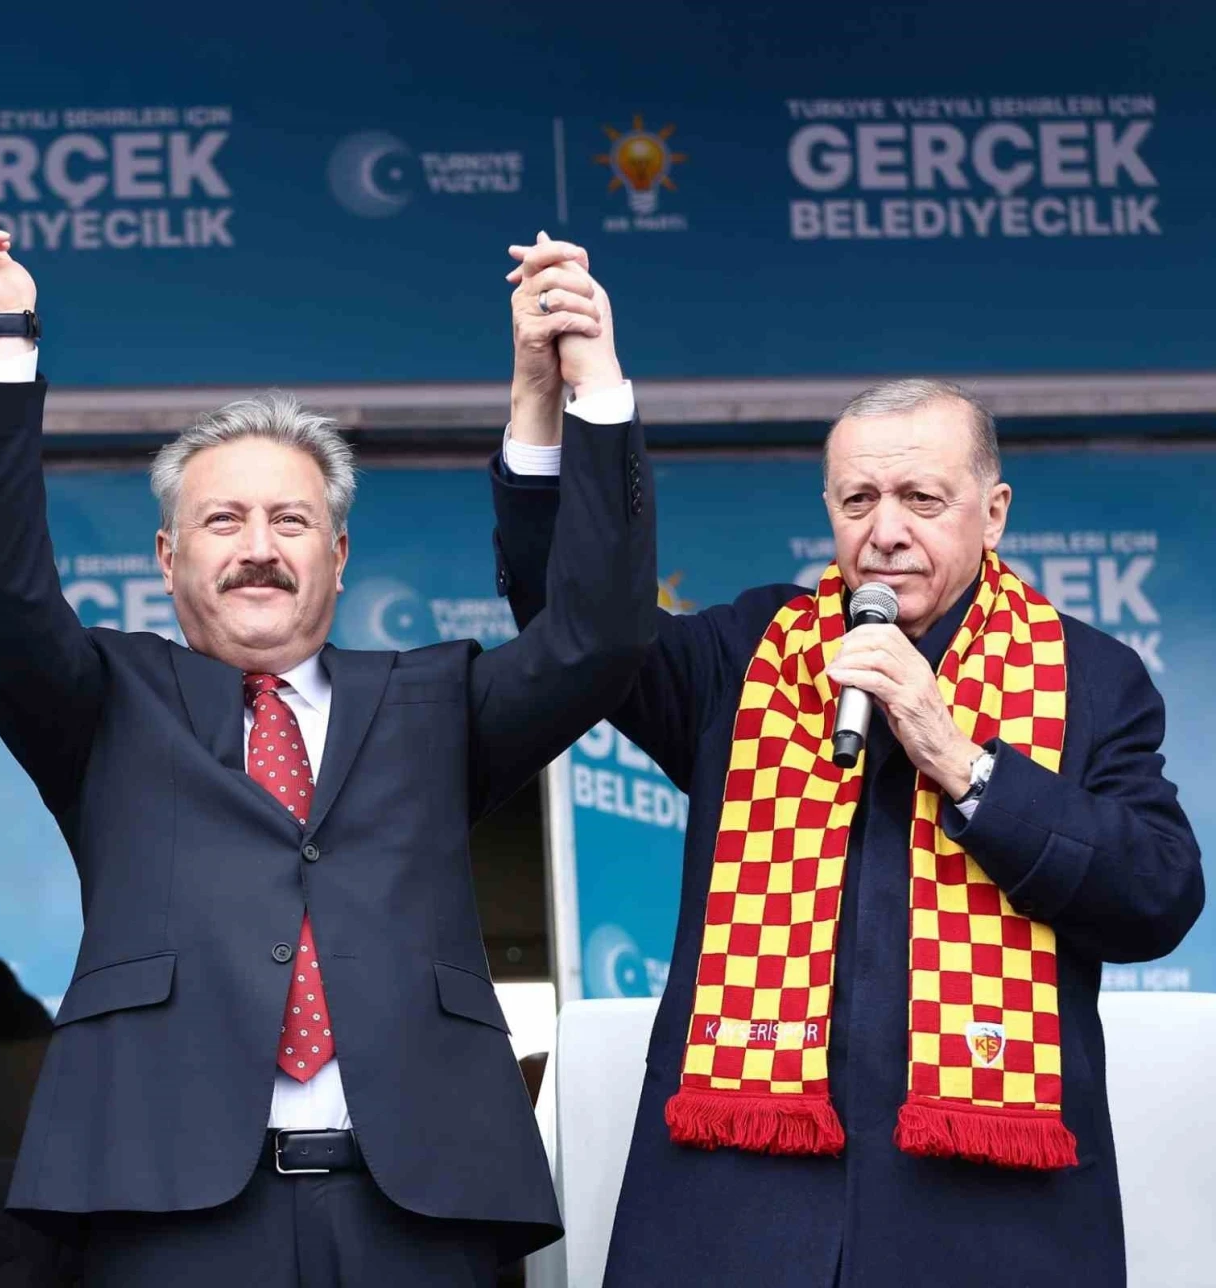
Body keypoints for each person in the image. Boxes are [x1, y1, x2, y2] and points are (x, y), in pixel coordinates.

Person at [0, 209, 655, 1286]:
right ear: (167, 559)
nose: (259, 548)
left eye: (291, 521)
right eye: (223, 522)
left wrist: (575, 392)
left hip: (416, 1217)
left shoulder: (432, 700)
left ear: (340, 553)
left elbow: (600, 635)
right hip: (166, 1212)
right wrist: (2, 337)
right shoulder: (103, 701)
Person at [492, 248, 1203, 1288]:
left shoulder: (1088, 676)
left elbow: (1157, 896)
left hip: (984, 1228)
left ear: (994, 512)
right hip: (737, 1219)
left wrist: (962, 761)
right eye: (858, 498)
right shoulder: (748, 653)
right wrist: (561, 398)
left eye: (922, 498)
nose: (885, 532)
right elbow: (578, 625)